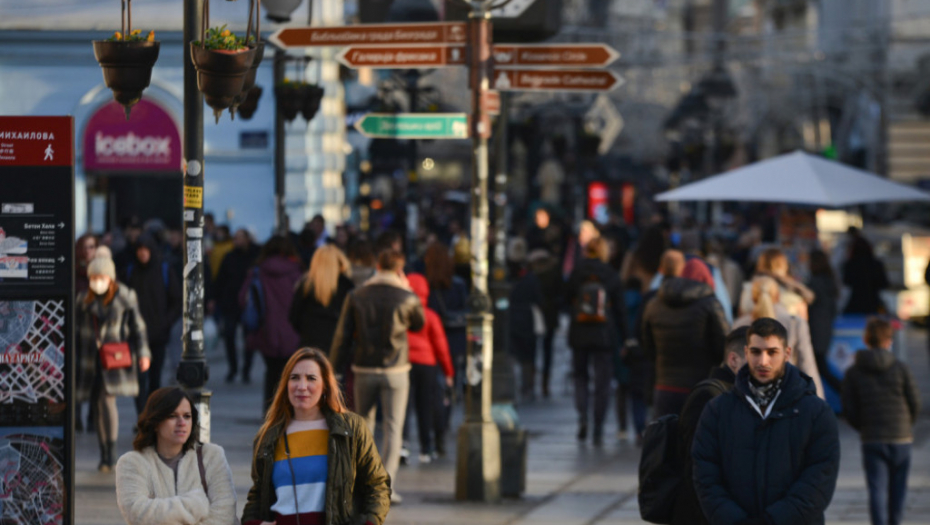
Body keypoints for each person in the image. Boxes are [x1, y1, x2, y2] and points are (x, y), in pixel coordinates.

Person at [692, 317, 840, 525]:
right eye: (756, 352)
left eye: (772, 352)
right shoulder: (718, 410)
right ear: (746, 353)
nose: (763, 361)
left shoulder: (816, 412)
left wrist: (773, 520)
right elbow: (706, 475)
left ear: (787, 354)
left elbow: (819, 479)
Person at [241, 348, 390, 525]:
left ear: (325, 385)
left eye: (311, 378)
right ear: (286, 384)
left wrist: (369, 523)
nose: (302, 386)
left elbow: (378, 485)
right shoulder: (268, 436)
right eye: (294, 378)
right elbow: (257, 496)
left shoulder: (351, 429)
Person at [330, 249, 425, 504]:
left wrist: (334, 368)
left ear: (378, 266)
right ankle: (386, 486)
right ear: (399, 269)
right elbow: (419, 324)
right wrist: (407, 288)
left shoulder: (357, 295)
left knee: (364, 425)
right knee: (394, 427)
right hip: (396, 369)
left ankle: (363, 483)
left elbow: (342, 335)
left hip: (364, 368)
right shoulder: (407, 296)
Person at [115, 387, 238, 525]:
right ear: (155, 423)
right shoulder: (132, 462)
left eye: (187, 416)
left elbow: (225, 514)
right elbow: (137, 513)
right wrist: (196, 504)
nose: (182, 423)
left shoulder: (212, 455)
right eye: (172, 416)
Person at [842, 318, 921, 525]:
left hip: (872, 437)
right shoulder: (901, 367)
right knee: (899, 488)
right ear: (889, 341)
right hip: (901, 436)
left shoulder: (854, 371)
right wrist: (907, 423)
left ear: (866, 339)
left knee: (876, 488)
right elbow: (915, 401)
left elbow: (849, 408)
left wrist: (863, 427)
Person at [76, 257, 150, 471]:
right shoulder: (83, 300)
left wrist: (143, 354)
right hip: (90, 359)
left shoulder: (125, 296)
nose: (97, 282)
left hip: (114, 358)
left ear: (110, 278)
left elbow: (138, 327)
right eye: (93, 278)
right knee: (97, 404)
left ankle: (110, 452)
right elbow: (75, 329)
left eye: (101, 277)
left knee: (107, 400)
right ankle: (104, 452)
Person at [671, 326, 748, 525]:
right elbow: (697, 471)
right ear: (733, 360)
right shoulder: (709, 396)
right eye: (754, 356)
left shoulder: (738, 395)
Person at [642, 252, 729, 418]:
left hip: (664, 386)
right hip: (700, 386)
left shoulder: (653, 303)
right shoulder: (710, 304)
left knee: (664, 432)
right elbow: (723, 347)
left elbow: (647, 347)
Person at [565, 237, 627, 445]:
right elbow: (620, 309)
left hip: (579, 332)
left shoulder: (577, 272)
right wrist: (626, 337)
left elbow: (565, 299)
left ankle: (583, 415)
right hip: (604, 334)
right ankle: (598, 426)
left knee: (580, 376)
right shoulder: (610, 273)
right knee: (603, 382)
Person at [240, 235, 303, 412]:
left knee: (271, 373)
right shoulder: (296, 272)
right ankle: (288, 413)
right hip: (292, 332)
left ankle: (270, 413)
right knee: (291, 375)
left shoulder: (258, 272)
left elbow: (243, 299)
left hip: (266, 331)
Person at [734, 276, 825, 399]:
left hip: (750, 395)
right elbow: (807, 363)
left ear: (752, 297)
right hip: (788, 394)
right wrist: (818, 400)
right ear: (778, 297)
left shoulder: (739, 324)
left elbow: (736, 365)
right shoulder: (795, 323)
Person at [125, 234, 182, 411]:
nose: (142, 253)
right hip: (136, 335)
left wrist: (166, 322)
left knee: (155, 377)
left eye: (145, 249)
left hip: (158, 334)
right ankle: (142, 415)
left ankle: (152, 413)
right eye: (139, 250)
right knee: (139, 379)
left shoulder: (164, 269)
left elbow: (176, 300)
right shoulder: (131, 271)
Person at [405, 273, 455, 462]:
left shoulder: (401, 313)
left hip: (404, 363)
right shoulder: (431, 316)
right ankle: (426, 448)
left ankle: (402, 445)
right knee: (425, 406)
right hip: (427, 364)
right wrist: (448, 372)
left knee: (403, 406)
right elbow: (441, 347)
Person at [215, 228, 260, 383]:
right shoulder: (229, 257)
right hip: (231, 302)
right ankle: (233, 368)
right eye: (235, 238)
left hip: (249, 303)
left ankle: (246, 369)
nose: (237, 241)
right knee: (229, 335)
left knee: (249, 338)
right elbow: (221, 279)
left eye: (240, 237)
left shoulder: (255, 256)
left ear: (247, 239)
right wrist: (216, 298)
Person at [289, 245, 355, 351]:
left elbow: (294, 317)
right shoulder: (347, 286)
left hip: (309, 344)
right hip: (337, 347)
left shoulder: (305, 286)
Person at [739, 247, 815, 320]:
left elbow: (741, 317)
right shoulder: (795, 292)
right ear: (784, 265)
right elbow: (802, 321)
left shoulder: (749, 288)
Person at [807, 249, 839, 388]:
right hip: (825, 328)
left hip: (815, 329)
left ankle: (844, 391)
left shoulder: (815, 283)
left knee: (819, 368)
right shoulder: (829, 281)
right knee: (820, 367)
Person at [843, 235, 890, 315]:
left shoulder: (850, 264)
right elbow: (884, 284)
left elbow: (846, 282)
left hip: (855, 303)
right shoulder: (876, 264)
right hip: (873, 303)